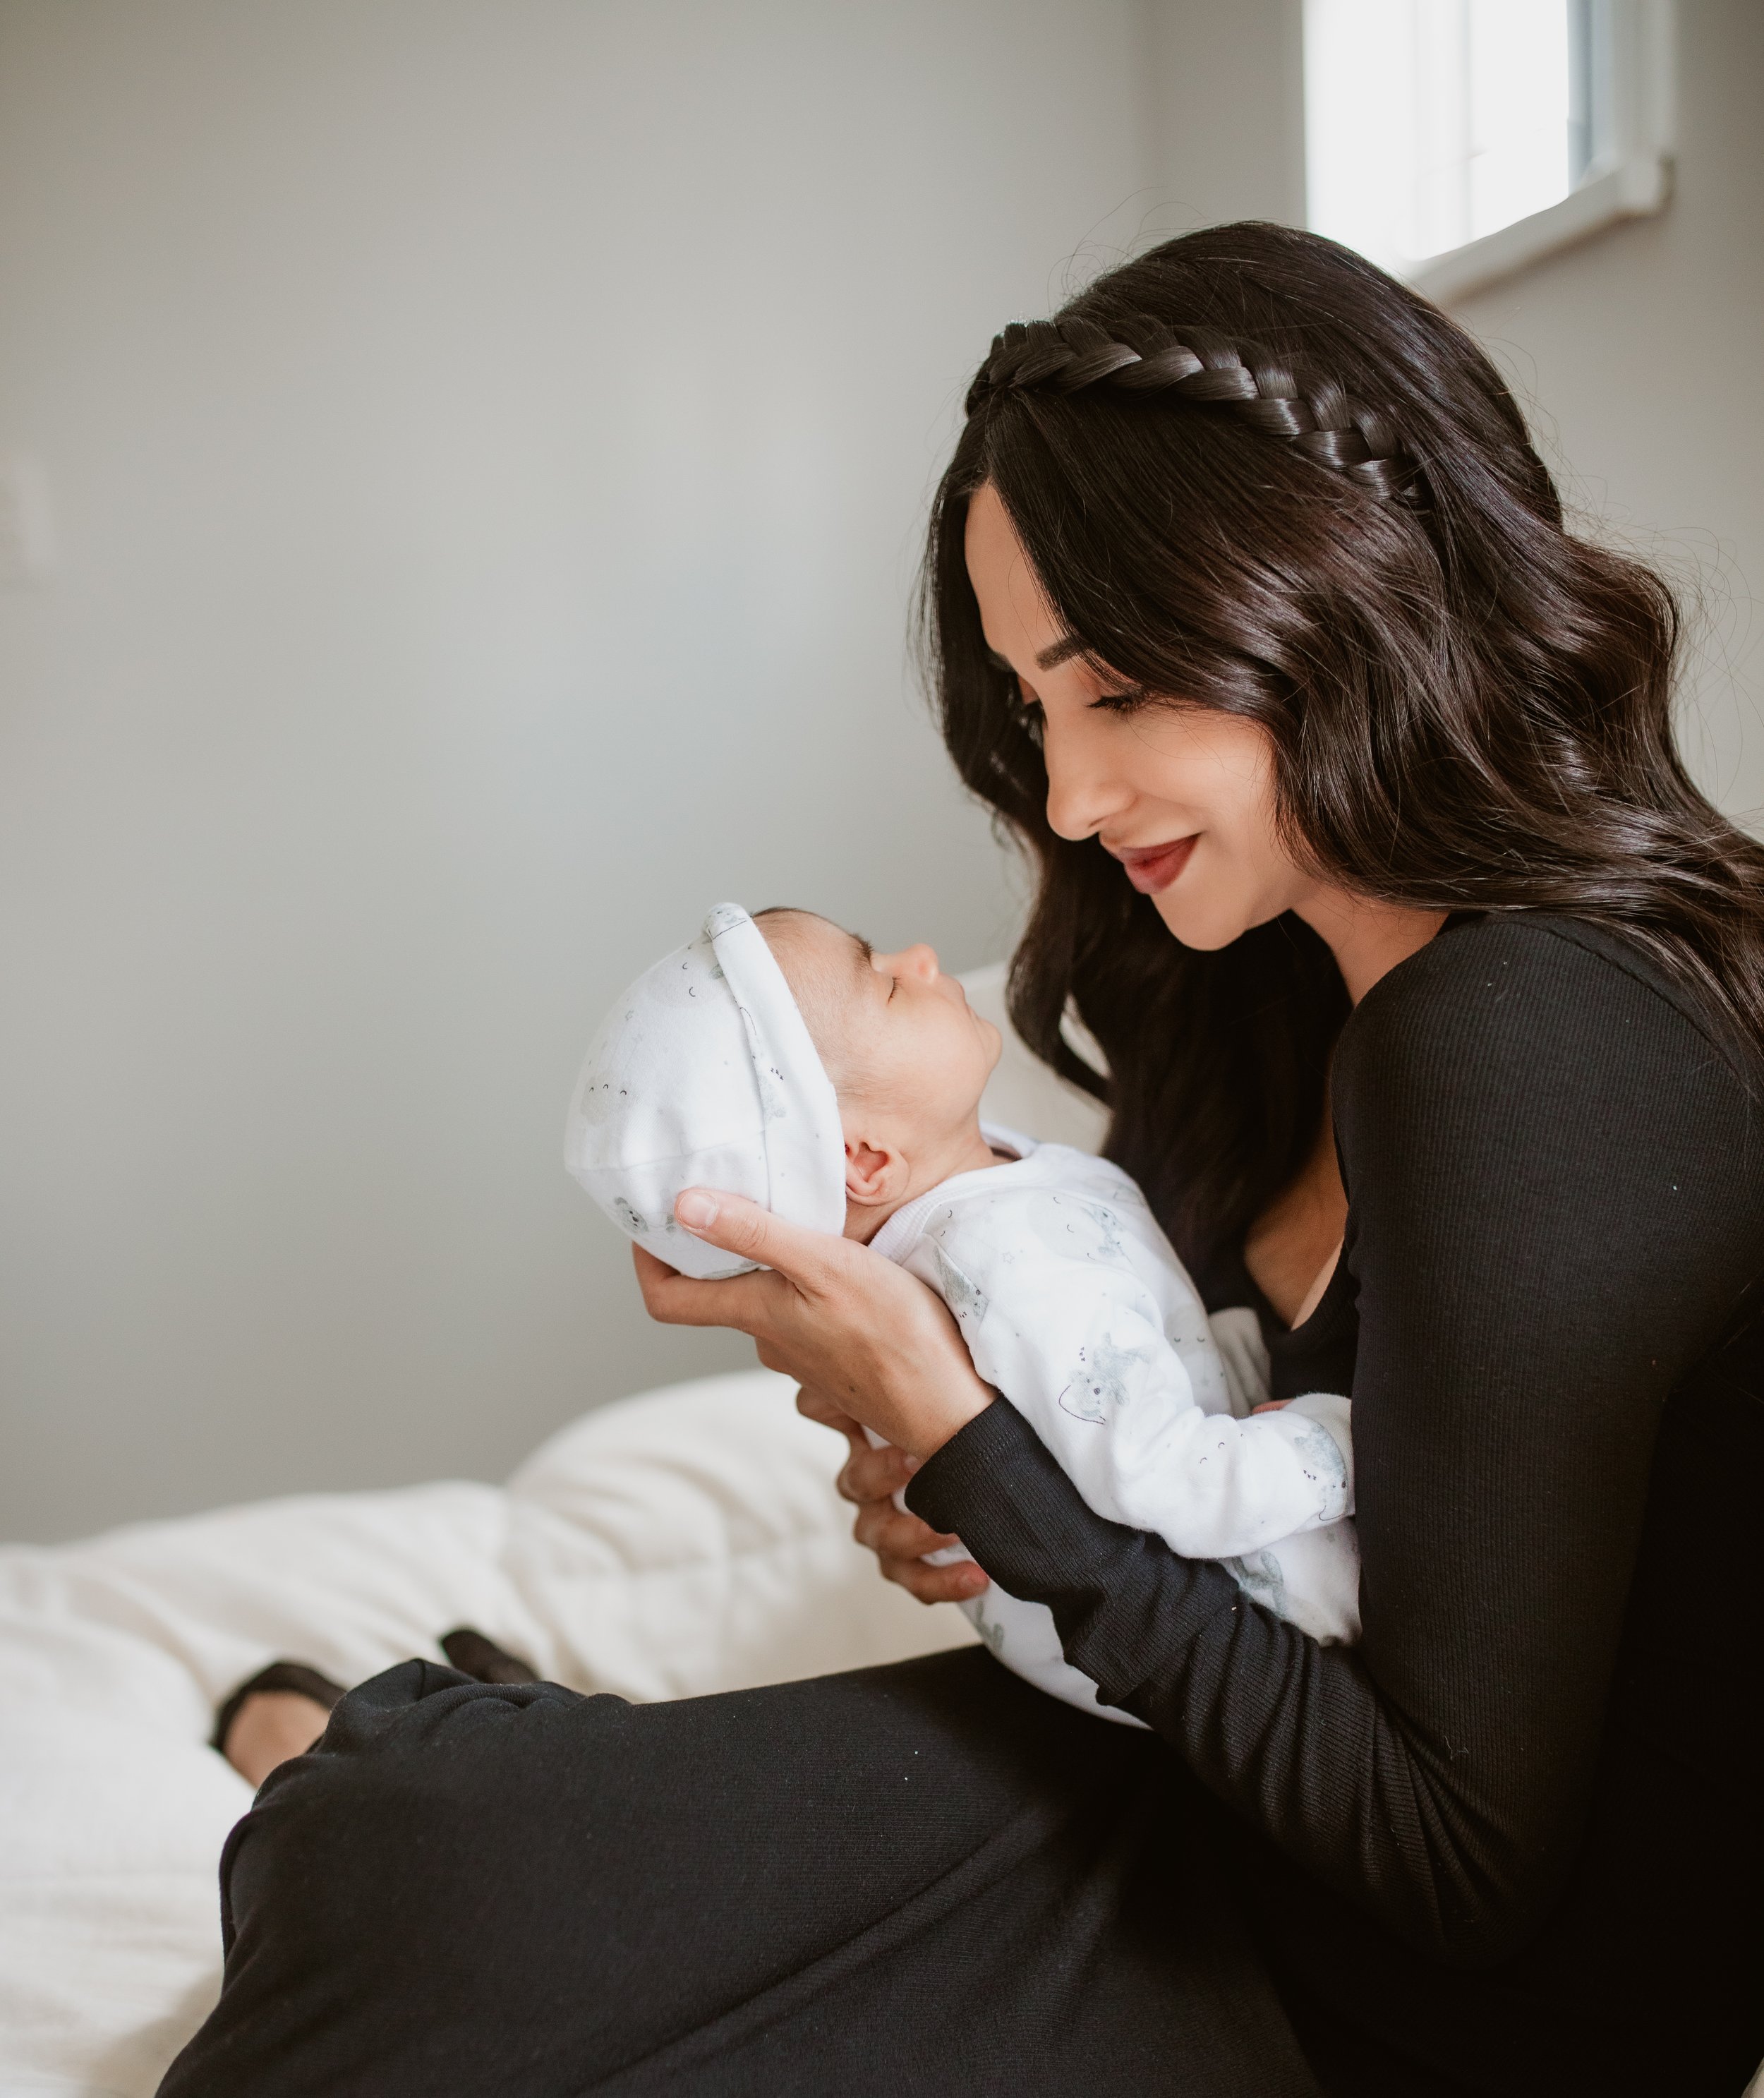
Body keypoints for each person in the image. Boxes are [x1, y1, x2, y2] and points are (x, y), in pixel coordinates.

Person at [162, 224, 1764, 2098]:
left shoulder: (1521, 1032)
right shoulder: (1269, 1000)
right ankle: (395, 1743)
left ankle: (359, 1744)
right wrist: (990, 1492)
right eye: (1032, 706)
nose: (1069, 796)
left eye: (1116, 688)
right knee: (409, 1853)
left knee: (400, 1860)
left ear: (1334, 590)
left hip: (1403, 2003)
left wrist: (972, 1453)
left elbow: (1455, 1858)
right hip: (1218, 1824)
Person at [571, 896, 1358, 1716]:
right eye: (884, 984)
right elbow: (1166, 1479)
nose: (918, 958)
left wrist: (1235, 1352)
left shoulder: (968, 1220)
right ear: (864, 1160)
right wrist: (1348, 1439)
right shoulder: (1007, 1255)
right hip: (1266, 1610)